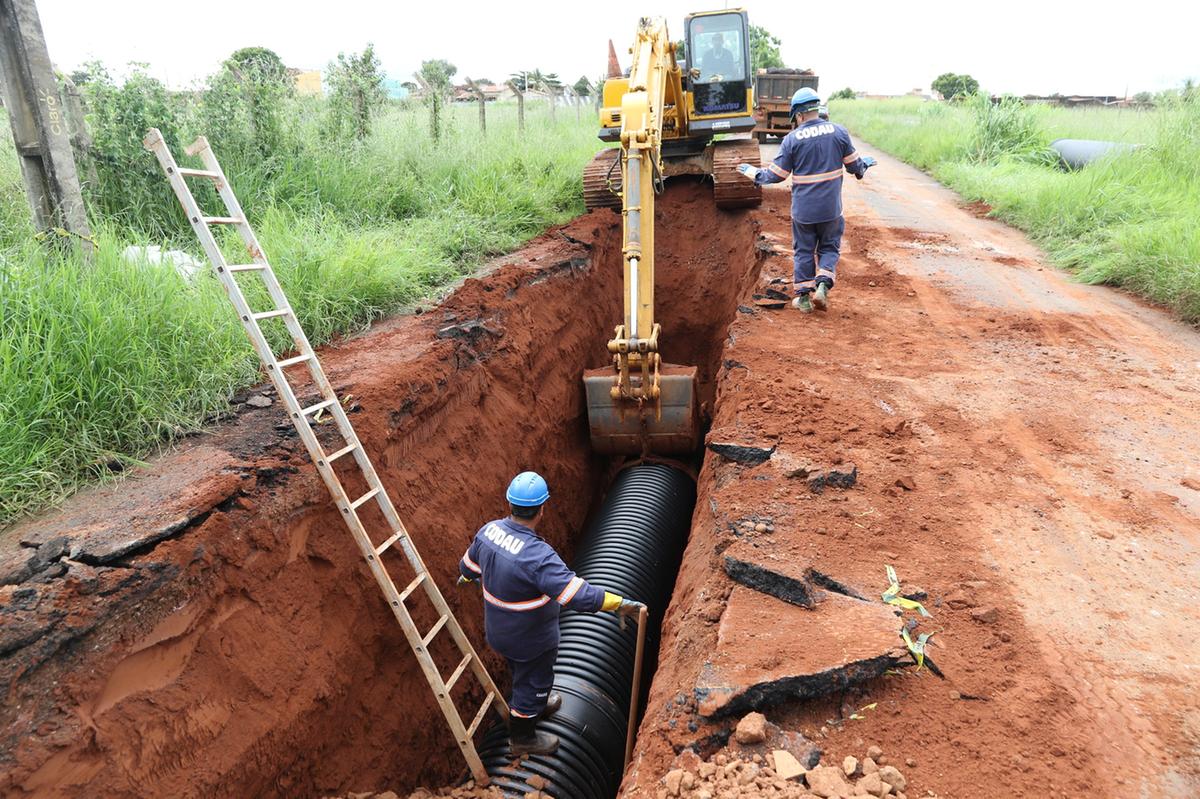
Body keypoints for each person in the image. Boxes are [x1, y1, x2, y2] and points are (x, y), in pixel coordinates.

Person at [458, 471, 646, 756]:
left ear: (510, 503)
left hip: (498, 631)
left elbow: (468, 566)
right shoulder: (538, 557)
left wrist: (468, 578)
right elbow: (577, 595)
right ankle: (523, 736)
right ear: (542, 509)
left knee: (520, 670)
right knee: (534, 679)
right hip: (531, 639)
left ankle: (535, 702)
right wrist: (619, 603)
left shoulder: (489, 531)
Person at [736, 88, 876, 313]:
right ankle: (822, 284)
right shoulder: (839, 132)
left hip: (804, 211)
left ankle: (803, 299)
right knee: (829, 247)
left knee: (803, 250)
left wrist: (753, 173)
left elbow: (776, 175)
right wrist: (864, 166)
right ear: (817, 109)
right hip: (831, 209)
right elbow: (854, 166)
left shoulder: (792, 139)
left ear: (799, 116)